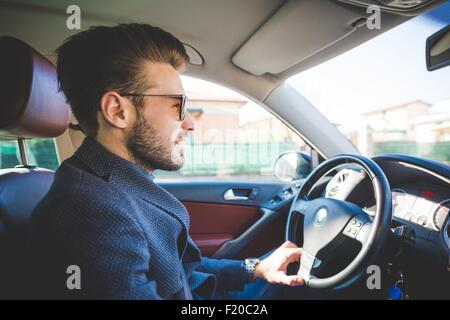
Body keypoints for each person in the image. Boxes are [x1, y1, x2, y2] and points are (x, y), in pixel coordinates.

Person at [31, 23, 304, 300]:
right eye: (178, 105)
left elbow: (175, 271)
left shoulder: (114, 184)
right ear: (118, 111)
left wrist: (254, 269)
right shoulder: (88, 212)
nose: (189, 124)